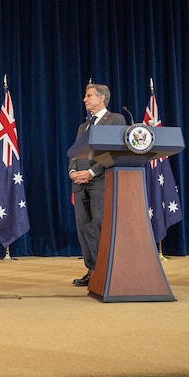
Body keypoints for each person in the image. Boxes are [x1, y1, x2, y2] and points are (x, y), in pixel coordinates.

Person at [68, 84, 126, 286]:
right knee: (84, 228)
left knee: (99, 225)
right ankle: (92, 270)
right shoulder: (83, 126)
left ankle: (105, 270)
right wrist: (73, 172)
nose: (84, 99)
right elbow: (75, 153)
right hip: (80, 182)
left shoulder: (116, 119)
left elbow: (116, 151)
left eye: (89, 95)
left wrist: (92, 172)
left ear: (101, 98)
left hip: (100, 181)